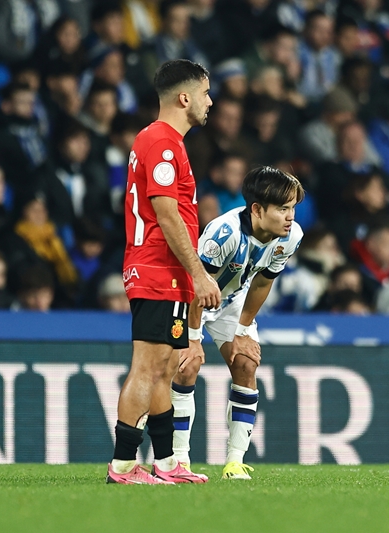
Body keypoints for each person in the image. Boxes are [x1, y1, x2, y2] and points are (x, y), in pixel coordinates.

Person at [108, 59, 220, 485]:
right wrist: (200, 274)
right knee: (147, 366)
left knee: (165, 366)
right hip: (157, 268)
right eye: (207, 93)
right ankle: (122, 466)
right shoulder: (163, 142)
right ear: (185, 97)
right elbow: (167, 214)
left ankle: (167, 462)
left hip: (166, 272)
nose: (211, 102)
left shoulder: (161, 141)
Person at [171, 166, 304, 479]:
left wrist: (244, 330)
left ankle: (234, 462)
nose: (290, 217)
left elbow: (262, 283)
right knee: (186, 366)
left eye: (293, 208)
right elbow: (196, 285)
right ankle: (178, 459)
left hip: (230, 301)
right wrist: (192, 338)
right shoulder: (224, 234)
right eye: (283, 208)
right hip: (191, 299)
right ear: (257, 209)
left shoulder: (290, 237)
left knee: (246, 363)